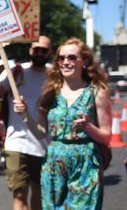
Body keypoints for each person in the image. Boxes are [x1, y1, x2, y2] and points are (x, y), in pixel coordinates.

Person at [13, 37, 112, 209]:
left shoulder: (97, 92)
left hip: (86, 162)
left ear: (85, 61)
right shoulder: (50, 93)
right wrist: (25, 114)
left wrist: (88, 126)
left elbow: (106, 136)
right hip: (54, 161)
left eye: (72, 57)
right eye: (61, 58)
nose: (65, 62)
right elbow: (40, 132)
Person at [0, 36, 52, 210]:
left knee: (39, 193)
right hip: (17, 143)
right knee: (19, 194)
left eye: (43, 50)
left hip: (44, 144)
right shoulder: (15, 71)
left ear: (49, 53)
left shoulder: (54, 76)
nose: (39, 53)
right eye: (36, 49)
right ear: (30, 50)